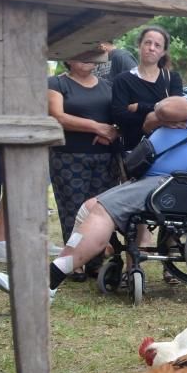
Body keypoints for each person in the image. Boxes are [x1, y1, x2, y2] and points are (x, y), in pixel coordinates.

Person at [32, 47, 187, 300]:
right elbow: (149, 122)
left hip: (180, 184)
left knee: (102, 207)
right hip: (164, 181)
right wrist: (160, 112)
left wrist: (156, 109)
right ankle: (74, 263)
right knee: (89, 207)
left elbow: (163, 112)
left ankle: (48, 281)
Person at [47, 48, 121, 279]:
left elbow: (120, 119)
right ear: (68, 58)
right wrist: (96, 127)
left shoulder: (108, 86)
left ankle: (94, 260)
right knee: (72, 208)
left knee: (100, 209)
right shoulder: (56, 83)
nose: (87, 58)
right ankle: (72, 262)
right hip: (68, 156)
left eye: (92, 55)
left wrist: (114, 131)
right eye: (81, 53)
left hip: (105, 158)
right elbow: (58, 116)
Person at [111, 25, 184, 152]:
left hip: (167, 148)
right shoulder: (122, 80)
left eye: (157, 45)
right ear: (139, 45)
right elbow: (120, 116)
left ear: (163, 52)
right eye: (147, 43)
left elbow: (178, 111)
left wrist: (140, 107)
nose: (151, 48)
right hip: (134, 151)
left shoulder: (172, 78)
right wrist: (160, 120)